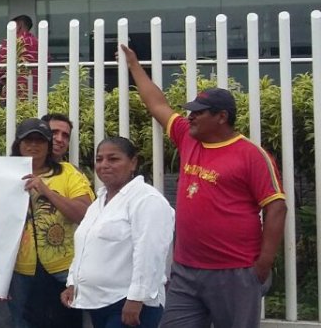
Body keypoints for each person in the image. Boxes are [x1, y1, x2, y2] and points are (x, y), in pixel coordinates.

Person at [121, 45, 286, 328]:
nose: (190, 117)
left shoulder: (251, 154)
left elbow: (276, 207)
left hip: (234, 271)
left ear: (221, 117)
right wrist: (134, 66)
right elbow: (157, 105)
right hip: (186, 271)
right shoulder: (189, 138)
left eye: (199, 112)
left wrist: (263, 264)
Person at [61, 137, 174, 328]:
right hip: (98, 304)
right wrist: (73, 283)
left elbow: (150, 252)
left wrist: (137, 298)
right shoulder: (99, 202)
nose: (104, 165)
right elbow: (85, 245)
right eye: (99, 159)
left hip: (129, 305)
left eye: (113, 159)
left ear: (133, 163)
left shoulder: (147, 199)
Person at [0, 118, 93, 328]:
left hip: (63, 269)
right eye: (27, 140)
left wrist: (47, 191)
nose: (33, 145)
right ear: (17, 145)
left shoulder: (68, 173)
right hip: (17, 271)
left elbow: (85, 214)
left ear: (48, 146)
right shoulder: (2, 174)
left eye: (40, 140)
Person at [0, 15, 39, 99]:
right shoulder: (39, 43)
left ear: (19, 25)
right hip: (36, 91)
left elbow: (0, 68)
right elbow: (47, 71)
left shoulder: (9, 43)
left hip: (14, 91)